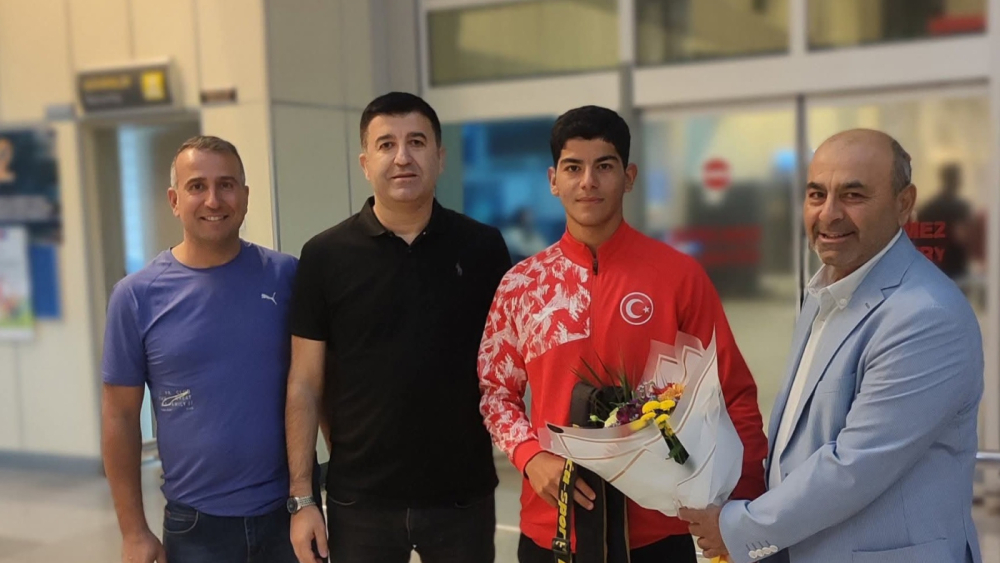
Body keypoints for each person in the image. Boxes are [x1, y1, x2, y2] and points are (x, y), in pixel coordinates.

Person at [478, 105, 768, 563]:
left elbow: (731, 395)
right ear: (553, 180)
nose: (588, 182)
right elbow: (495, 393)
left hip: (658, 532)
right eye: (573, 168)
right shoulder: (523, 284)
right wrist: (530, 456)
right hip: (553, 528)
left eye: (604, 166)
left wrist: (743, 509)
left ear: (628, 177)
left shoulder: (677, 276)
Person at [680, 129, 984, 563]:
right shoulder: (828, 289)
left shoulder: (924, 315)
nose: (829, 213)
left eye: (853, 195)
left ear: (904, 203)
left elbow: (855, 465)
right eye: (816, 194)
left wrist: (739, 527)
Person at [285, 91, 511, 563]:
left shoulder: (483, 248)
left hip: (462, 495)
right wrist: (303, 498)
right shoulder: (324, 256)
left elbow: (507, 367)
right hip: (360, 501)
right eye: (386, 144)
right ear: (365, 163)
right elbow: (305, 382)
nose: (402, 157)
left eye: (416, 142)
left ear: (440, 157)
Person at [101, 136, 300, 563]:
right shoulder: (136, 297)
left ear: (245, 196)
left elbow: (317, 385)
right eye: (197, 186)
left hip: (286, 516)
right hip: (196, 528)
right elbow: (119, 416)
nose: (213, 200)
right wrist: (133, 532)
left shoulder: (286, 277)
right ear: (175, 200)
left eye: (226, 184)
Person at [917, 163, 972, 279]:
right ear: (956, 181)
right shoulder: (959, 208)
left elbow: (920, 241)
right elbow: (961, 237)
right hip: (955, 270)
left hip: (932, 269)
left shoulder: (928, 208)